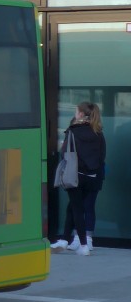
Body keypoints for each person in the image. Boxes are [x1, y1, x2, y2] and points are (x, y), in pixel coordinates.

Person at [50, 102, 106, 255]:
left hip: (75, 176)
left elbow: (65, 152)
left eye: (76, 111)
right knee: (72, 207)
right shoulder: (98, 132)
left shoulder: (73, 131)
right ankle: (65, 239)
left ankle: (83, 245)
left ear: (81, 114)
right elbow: (102, 156)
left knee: (77, 209)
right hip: (92, 177)